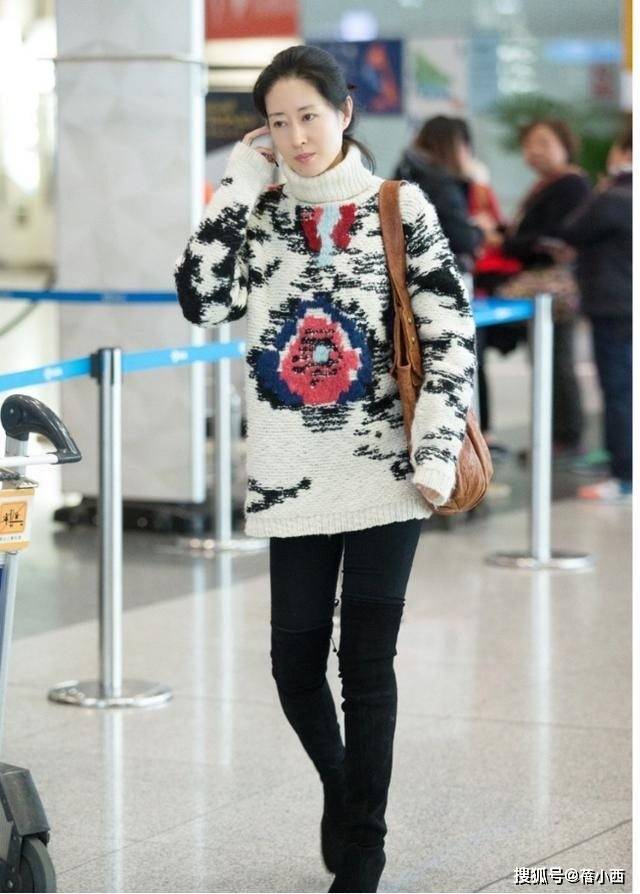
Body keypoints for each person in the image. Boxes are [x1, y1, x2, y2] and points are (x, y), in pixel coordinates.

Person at [174, 44, 477, 893]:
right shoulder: (260, 213)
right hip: (291, 472)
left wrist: (435, 454)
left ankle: (365, 848)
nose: (297, 136)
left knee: (366, 668)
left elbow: (450, 335)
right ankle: (342, 787)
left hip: (391, 472)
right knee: (295, 667)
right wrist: (237, 184)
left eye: (309, 115)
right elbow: (201, 298)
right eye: (278, 123)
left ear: (344, 112)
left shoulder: (399, 206)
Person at [500, 119, 592, 456]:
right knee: (546, 360)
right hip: (542, 286)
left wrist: (509, 243)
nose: (534, 150)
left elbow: (555, 236)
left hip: (554, 286)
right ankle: (555, 436)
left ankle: (566, 438)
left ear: (565, 144)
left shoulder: (571, 185)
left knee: (556, 360)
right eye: (529, 144)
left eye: (544, 142)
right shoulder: (546, 185)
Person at [557, 125, 632, 503]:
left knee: (618, 391)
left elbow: (571, 229)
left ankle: (624, 476)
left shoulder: (615, 195)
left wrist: (605, 186)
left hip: (614, 306)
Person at [451, 117, 524, 461]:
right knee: (469, 359)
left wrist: (482, 232)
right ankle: (476, 435)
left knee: (474, 359)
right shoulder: (443, 183)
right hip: (468, 280)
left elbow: (492, 229)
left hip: (480, 281)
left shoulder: (476, 184)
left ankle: (481, 434)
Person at [392, 115, 484, 272]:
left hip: (406, 269)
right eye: (464, 145)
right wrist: (479, 230)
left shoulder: (405, 174)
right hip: (439, 273)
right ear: (452, 147)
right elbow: (463, 240)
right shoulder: (441, 184)